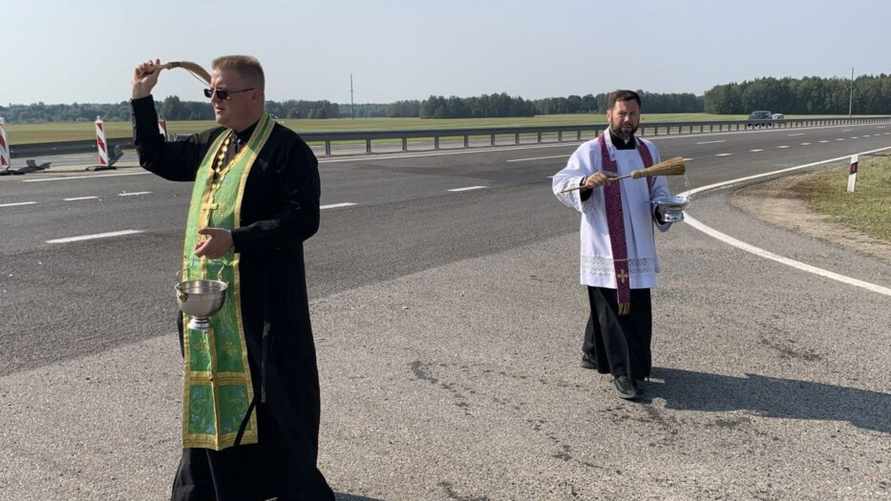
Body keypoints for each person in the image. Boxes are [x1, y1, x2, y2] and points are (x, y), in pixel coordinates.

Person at [131, 56, 335, 500]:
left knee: (276, 397)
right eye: (211, 92)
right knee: (212, 389)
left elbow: (303, 219)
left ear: (254, 96)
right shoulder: (214, 143)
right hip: (213, 300)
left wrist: (236, 239)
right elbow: (157, 157)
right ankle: (214, 485)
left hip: (266, 303)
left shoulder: (287, 150)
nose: (213, 101)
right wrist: (142, 98)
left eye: (222, 93)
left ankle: (286, 483)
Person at [552, 90, 675, 400]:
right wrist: (585, 183)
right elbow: (560, 183)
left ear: (639, 117)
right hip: (605, 244)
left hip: (639, 246)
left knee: (620, 306)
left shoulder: (649, 152)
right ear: (609, 115)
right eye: (621, 114)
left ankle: (593, 351)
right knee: (616, 308)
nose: (627, 120)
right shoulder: (591, 151)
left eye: (632, 114)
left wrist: (664, 208)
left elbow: (659, 190)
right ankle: (625, 372)